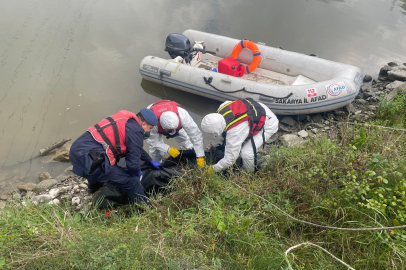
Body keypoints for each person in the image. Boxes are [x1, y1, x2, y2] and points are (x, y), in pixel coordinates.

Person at [69, 109, 161, 205]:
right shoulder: (137, 130)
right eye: (149, 128)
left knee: (95, 168)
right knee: (132, 181)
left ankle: (93, 189)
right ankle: (143, 207)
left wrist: (149, 160)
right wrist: (137, 173)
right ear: (143, 124)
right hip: (89, 160)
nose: (148, 131)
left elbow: (135, 148)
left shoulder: (126, 120)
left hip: (76, 151)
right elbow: (132, 165)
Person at [201, 98, 278, 172]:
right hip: (258, 109)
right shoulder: (222, 108)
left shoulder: (235, 131)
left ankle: (249, 173)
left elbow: (230, 160)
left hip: (268, 123)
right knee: (238, 146)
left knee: (247, 153)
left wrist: (213, 169)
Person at [146, 100, 206, 168]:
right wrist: (168, 149)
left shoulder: (183, 116)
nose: (173, 131)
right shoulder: (152, 122)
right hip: (155, 118)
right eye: (170, 130)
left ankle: (189, 156)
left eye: (174, 128)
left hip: (175, 120)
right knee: (155, 150)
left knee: (184, 141)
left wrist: (200, 156)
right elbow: (153, 141)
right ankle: (155, 165)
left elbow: (196, 135)